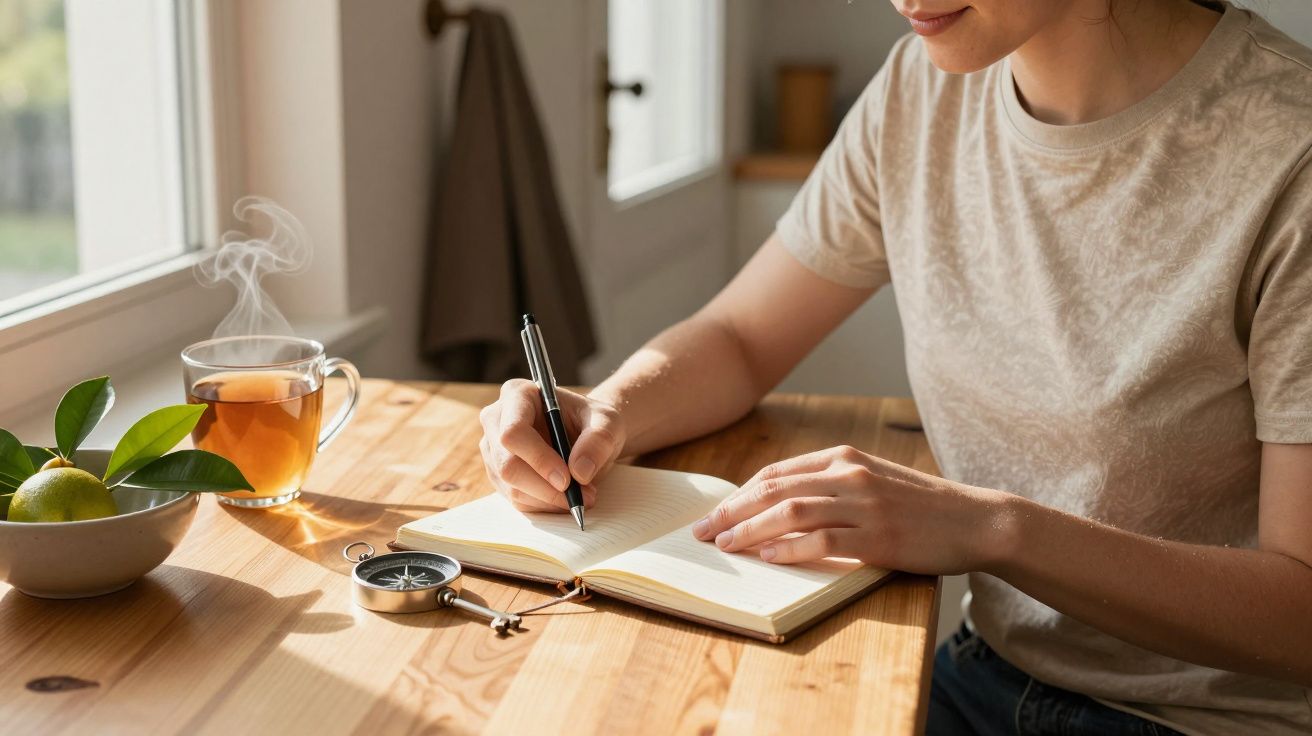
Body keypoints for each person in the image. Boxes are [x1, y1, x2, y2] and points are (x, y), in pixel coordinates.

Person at [476, 0, 1312, 733]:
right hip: (983, 674)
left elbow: (1299, 611)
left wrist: (991, 529)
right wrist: (609, 410)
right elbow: (741, 336)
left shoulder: (1288, 151)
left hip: (1205, 721)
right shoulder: (925, 85)